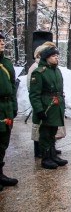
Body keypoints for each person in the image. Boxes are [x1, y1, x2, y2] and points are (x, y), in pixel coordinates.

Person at [29, 46, 68, 169]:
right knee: (45, 133)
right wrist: (39, 109)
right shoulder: (39, 72)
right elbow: (34, 94)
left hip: (56, 106)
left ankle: (52, 155)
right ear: (46, 58)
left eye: (57, 55)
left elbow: (60, 90)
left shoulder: (57, 71)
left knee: (53, 131)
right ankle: (45, 158)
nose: (56, 58)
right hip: (46, 106)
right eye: (53, 56)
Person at [27, 41, 56, 158]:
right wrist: (38, 105)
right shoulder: (36, 68)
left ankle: (50, 150)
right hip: (41, 102)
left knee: (50, 129)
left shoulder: (52, 68)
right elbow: (32, 87)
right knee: (40, 127)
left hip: (51, 102)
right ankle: (40, 150)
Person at [0, 33, 18, 187]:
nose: (1, 43)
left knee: (3, 142)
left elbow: (12, 86)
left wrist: (13, 107)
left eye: (2, 41)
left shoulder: (6, 63)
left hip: (6, 106)